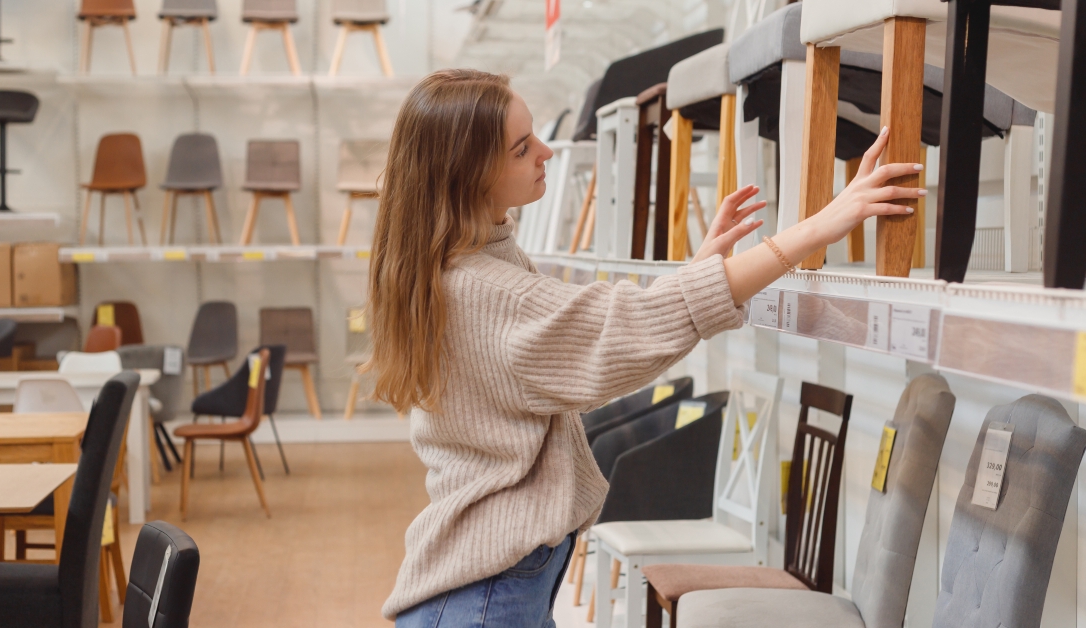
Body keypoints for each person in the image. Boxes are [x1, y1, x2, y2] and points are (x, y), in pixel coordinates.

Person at [367, 69, 923, 627]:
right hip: (486, 599)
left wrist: (697, 273)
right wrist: (818, 227)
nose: (546, 152)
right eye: (521, 149)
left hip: (494, 587)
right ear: (471, 176)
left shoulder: (464, 260)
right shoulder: (484, 292)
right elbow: (615, 329)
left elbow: (584, 330)